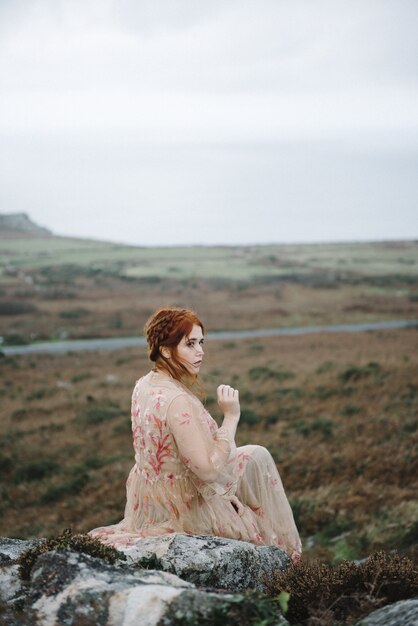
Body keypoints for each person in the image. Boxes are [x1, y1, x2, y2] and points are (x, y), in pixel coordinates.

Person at [89, 307, 302, 562]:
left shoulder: (144, 384)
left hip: (152, 495)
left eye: (201, 342)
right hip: (182, 507)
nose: (200, 351)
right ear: (166, 350)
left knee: (252, 455)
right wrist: (231, 417)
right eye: (190, 344)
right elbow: (208, 471)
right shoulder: (177, 400)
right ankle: (287, 559)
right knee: (259, 457)